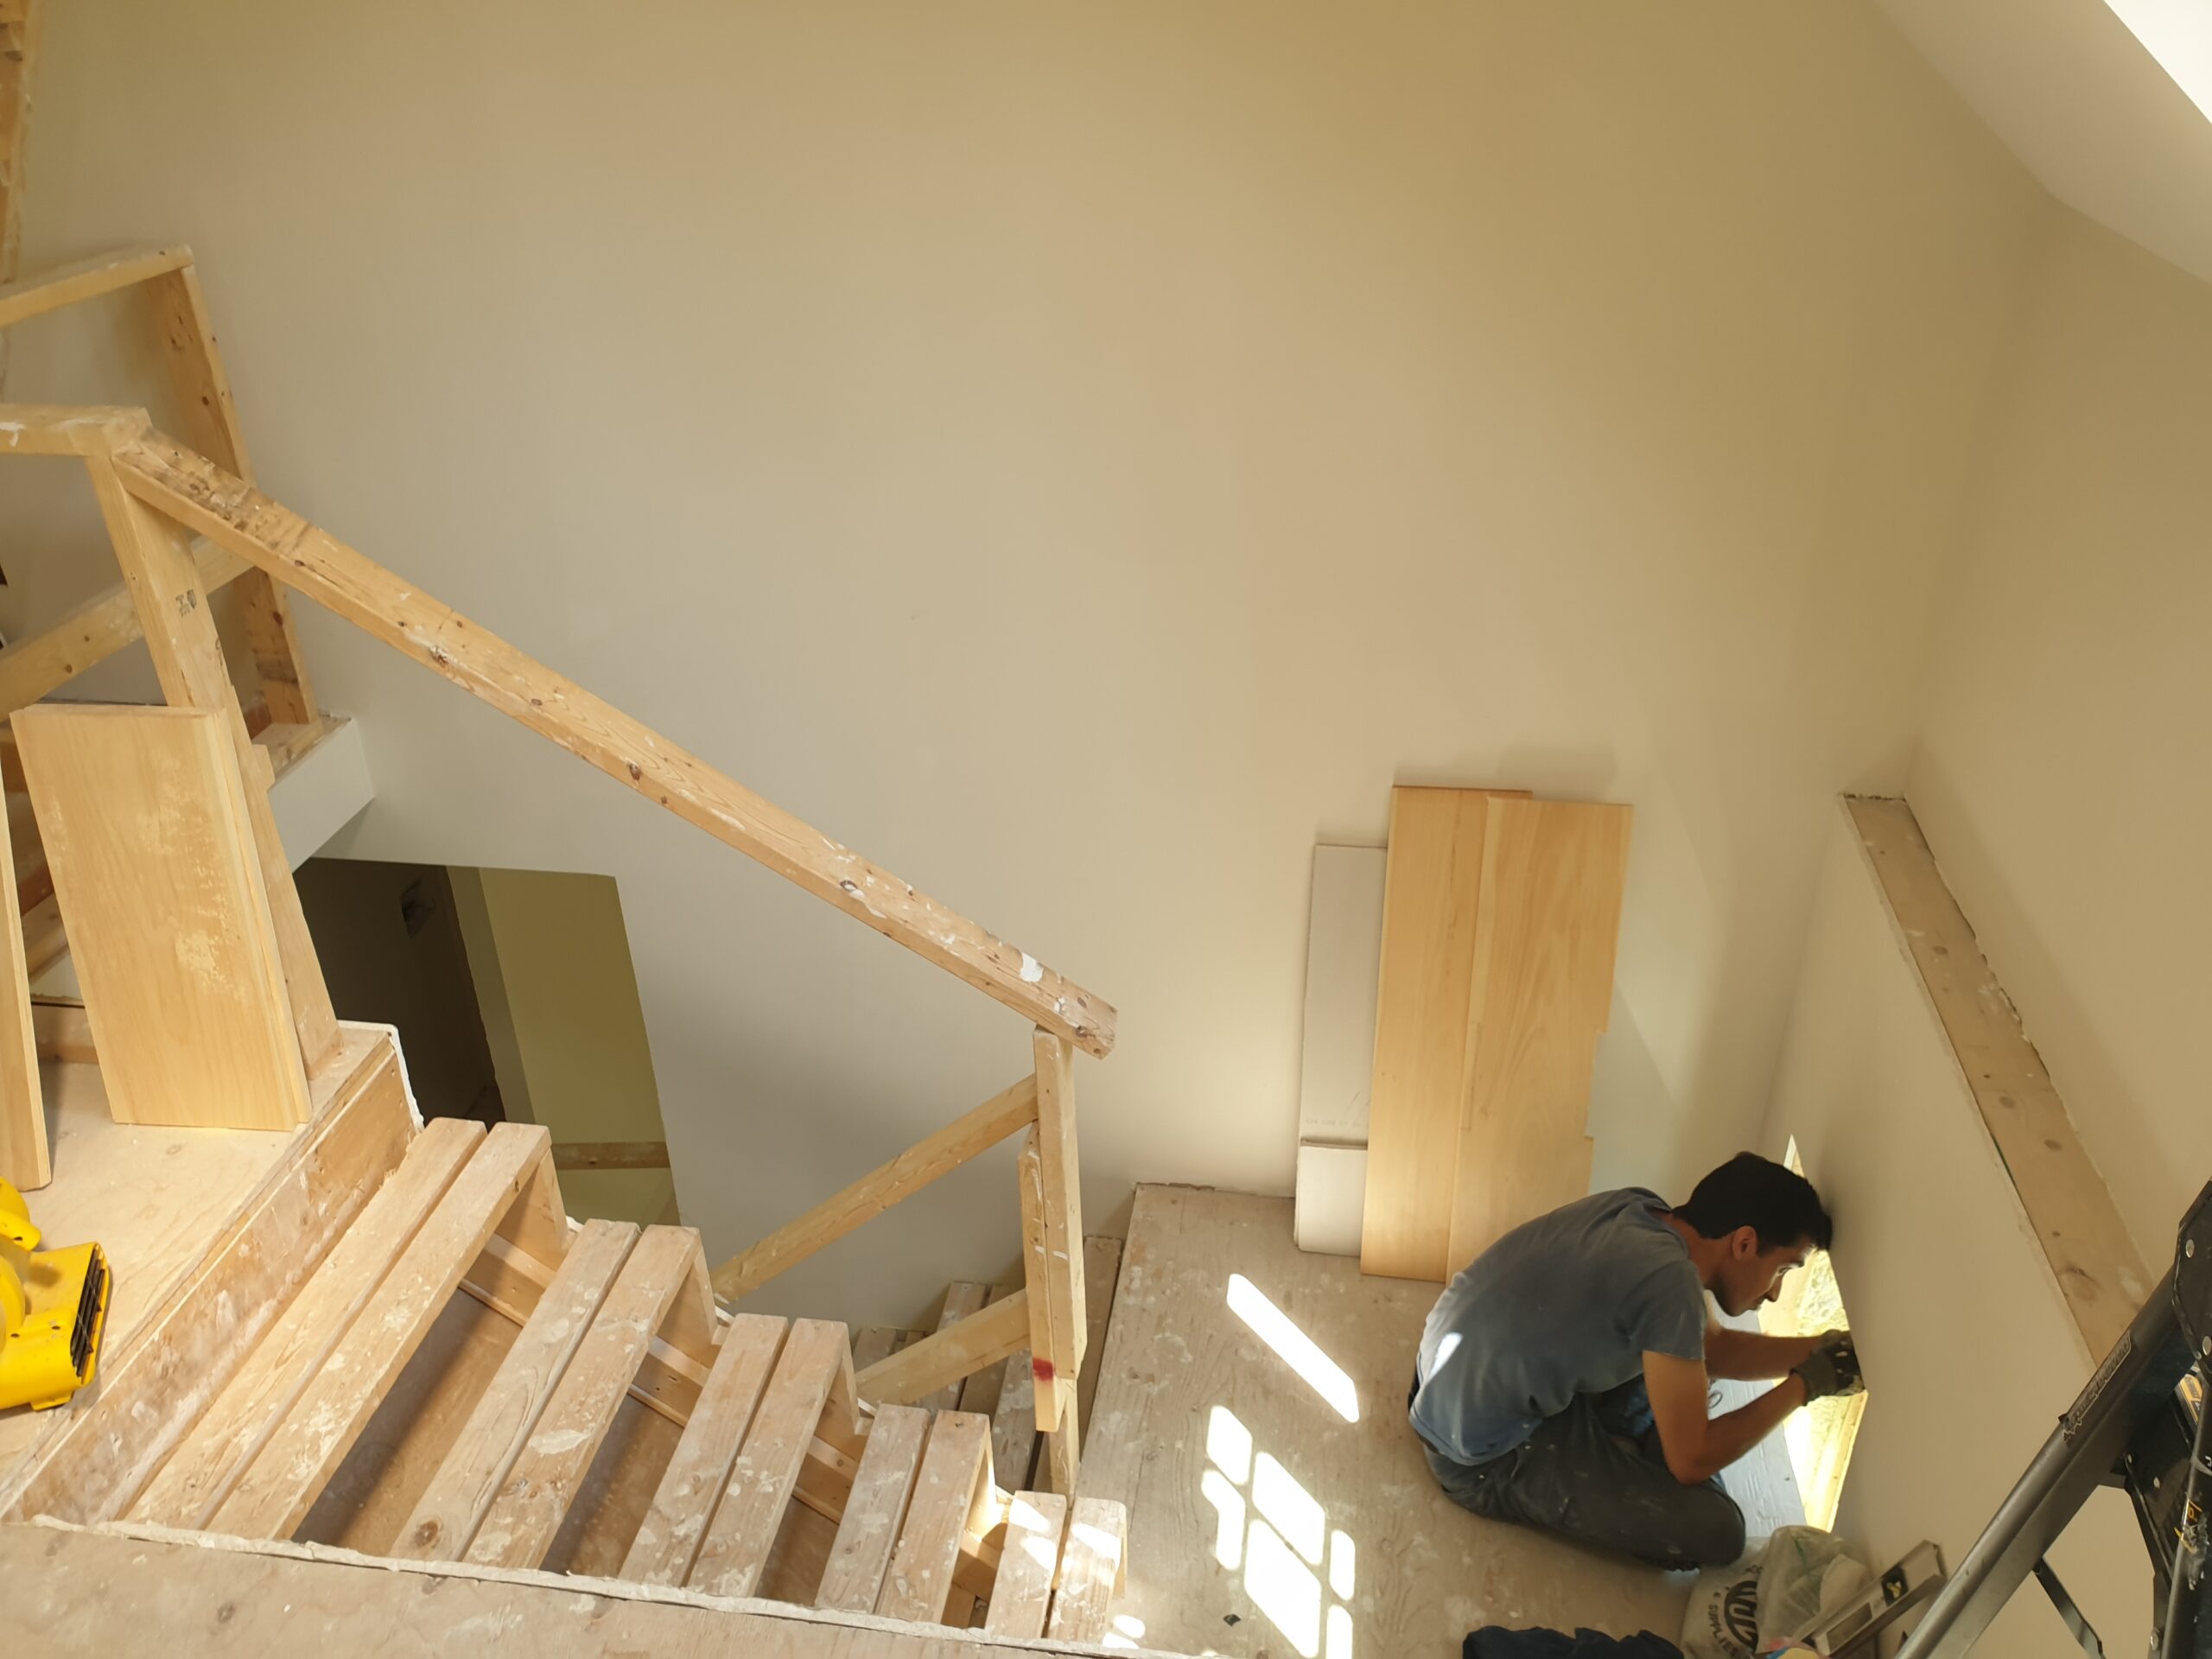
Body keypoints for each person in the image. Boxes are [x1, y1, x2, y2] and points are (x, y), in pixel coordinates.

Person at [1408, 1152, 1862, 1570]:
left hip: (1442, 1378)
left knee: (1677, 1361)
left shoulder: (1639, 1211)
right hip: (1477, 1453)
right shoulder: (1670, 1287)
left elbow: (1713, 1349)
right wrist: (1806, 1385)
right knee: (1719, 1530)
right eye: (1782, 1270)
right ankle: (1646, 1437)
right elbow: (1692, 1462)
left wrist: (1821, 1350)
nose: (1776, 1292)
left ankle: (1649, 1431)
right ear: (1744, 1243)